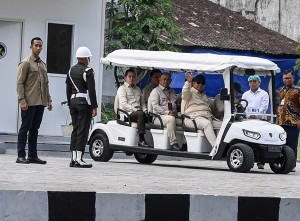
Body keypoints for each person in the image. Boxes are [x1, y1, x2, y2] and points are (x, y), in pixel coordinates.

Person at [16, 37, 52, 164]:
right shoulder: (25, 63)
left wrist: (49, 99)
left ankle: (32, 155)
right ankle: (21, 155)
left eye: (40, 46)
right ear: (30, 46)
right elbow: (20, 83)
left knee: (35, 129)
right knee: (25, 128)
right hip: (28, 102)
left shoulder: (43, 64)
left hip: (40, 102)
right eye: (36, 45)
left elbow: (46, 83)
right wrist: (22, 100)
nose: (38, 48)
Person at [66, 46, 98, 168]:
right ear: (85, 58)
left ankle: (73, 158)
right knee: (83, 131)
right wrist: (94, 106)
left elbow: (68, 89)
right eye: (88, 57)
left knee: (75, 130)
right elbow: (92, 90)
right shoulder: (88, 71)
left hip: (73, 102)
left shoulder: (70, 71)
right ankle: (79, 159)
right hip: (83, 103)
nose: (89, 59)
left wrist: (69, 103)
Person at [242, 75, 269, 169]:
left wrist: (256, 116)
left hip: (260, 120)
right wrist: (249, 116)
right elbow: (243, 107)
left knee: (260, 140)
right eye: (251, 81)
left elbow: (264, 107)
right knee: (247, 139)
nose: (252, 83)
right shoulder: (245, 94)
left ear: (259, 82)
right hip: (248, 120)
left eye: (254, 81)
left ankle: (261, 162)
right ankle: (248, 160)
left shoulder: (264, 94)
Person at [182, 73, 216, 147]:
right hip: (192, 119)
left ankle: (225, 147)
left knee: (223, 125)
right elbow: (185, 92)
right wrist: (188, 82)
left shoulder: (204, 95)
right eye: (198, 82)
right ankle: (216, 147)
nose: (200, 84)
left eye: (202, 83)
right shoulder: (190, 92)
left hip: (206, 117)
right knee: (207, 124)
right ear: (193, 82)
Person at [149, 72, 181, 151]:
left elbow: (175, 104)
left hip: (171, 115)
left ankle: (184, 142)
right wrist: (167, 113)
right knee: (171, 119)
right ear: (159, 80)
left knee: (184, 121)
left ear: (171, 81)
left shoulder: (172, 92)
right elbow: (155, 106)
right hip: (158, 117)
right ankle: (173, 143)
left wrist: (175, 112)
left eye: (168, 79)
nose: (166, 81)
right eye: (164, 79)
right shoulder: (155, 91)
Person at [117, 68, 149, 147]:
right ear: (125, 78)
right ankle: (141, 139)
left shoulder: (138, 89)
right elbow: (124, 104)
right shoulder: (122, 89)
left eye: (133, 77)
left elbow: (142, 103)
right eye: (129, 76)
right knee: (140, 114)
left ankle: (153, 141)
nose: (131, 78)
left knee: (148, 116)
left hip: (137, 113)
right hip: (127, 113)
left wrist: (145, 111)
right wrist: (136, 110)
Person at [277, 70, 300, 171]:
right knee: (282, 144)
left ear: (293, 79)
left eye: (289, 78)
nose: (287, 80)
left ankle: (292, 165)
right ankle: (283, 163)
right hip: (280, 122)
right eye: (285, 78)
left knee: (292, 144)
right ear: (282, 79)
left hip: (293, 122)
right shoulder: (280, 90)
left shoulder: (298, 91)